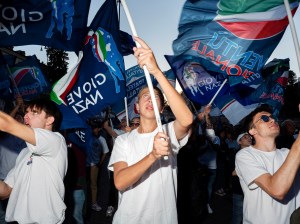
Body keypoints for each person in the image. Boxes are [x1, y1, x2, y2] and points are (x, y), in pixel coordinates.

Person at [108, 36, 193, 224]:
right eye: (144, 96)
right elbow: (120, 182)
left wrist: (155, 71)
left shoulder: (168, 132)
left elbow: (186, 119)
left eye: (155, 97)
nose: (149, 99)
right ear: (136, 107)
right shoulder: (123, 141)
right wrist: (153, 155)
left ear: (162, 108)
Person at [0, 97, 68, 224]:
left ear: (50, 120)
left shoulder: (56, 140)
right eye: (26, 112)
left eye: (34, 112)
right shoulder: (24, 153)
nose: (26, 116)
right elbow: (6, 191)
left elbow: (8, 124)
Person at [235, 106, 300, 224]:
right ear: (252, 130)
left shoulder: (287, 154)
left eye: (272, 117)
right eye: (264, 118)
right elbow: (277, 190)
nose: (272, 120)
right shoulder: (245, 155)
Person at [230, 132, 252, 224]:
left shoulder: (254, 153)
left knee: (250, 216)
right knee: (238, 216)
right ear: (239, 142)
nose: (249, 138)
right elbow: (233, 173)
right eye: (245, 137)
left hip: (251, 190)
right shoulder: (236, 155)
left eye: (250, 137)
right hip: (239, 190)